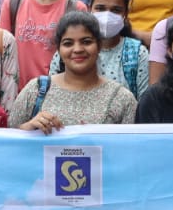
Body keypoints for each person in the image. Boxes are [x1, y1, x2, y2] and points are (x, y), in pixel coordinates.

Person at [8, 12, 137, 129]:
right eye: (68, 43)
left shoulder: (121, 98)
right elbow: (9, 138)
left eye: (86, 42)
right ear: (59, 50)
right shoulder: (36, 90)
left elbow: (131, 144)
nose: (78, 49)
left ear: (99, 46)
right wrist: (29, 128)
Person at [45, 0, 149, 98]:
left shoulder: (137, 54)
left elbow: (144, 102)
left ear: (126, 13)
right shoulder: (69, 49)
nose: (107, 16)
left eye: (115, 10)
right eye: (100, 8)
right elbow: (51, 95)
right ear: (90, 9)